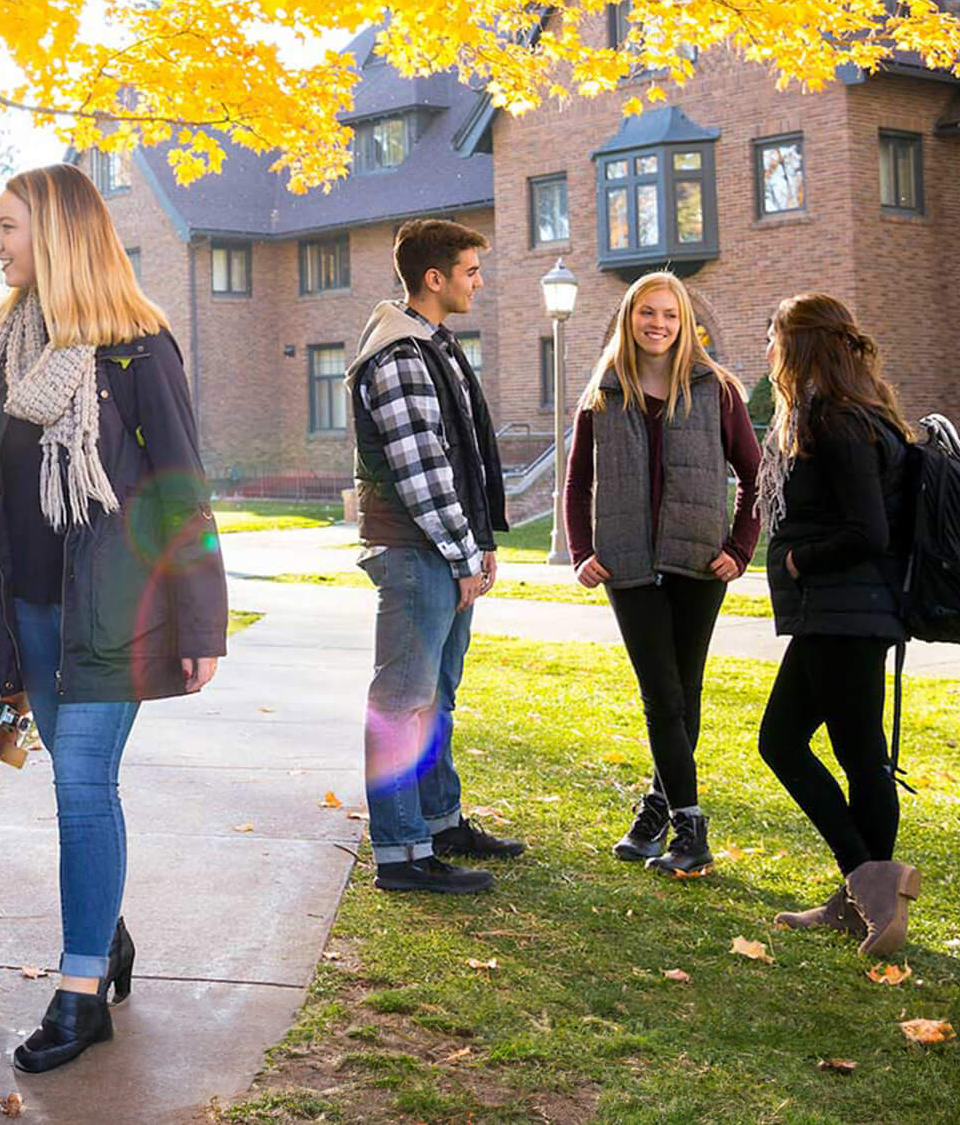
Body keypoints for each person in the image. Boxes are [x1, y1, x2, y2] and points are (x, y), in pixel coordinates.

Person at [0, 162, 227, 1074]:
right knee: (71, 795)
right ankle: (106, 936)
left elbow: (183, 492)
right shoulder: (8, 343)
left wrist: (201, 624)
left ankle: (80, 995)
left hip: (112, 611)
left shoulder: (138, 348)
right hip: (27, 610)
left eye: (7, 227)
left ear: (59, 235)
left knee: (84, 789)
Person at [347, 217, 523, 897]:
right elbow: (422, 475)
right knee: (401, 703)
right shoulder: (399, 357)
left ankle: (440, 823)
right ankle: (401, 853)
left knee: (436, 697)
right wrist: (463, 552)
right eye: (472, 271)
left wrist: (479, 544)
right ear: (434, 278)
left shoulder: (433, 346)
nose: (479, 281)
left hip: (443, 551)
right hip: (416, 551)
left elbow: (459, 460)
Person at [563, 272, 761, 878]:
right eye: (647, 313)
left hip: (699, 563)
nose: (658, 324)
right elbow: (576, 483)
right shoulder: (603, 392)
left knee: (685, 692)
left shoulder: (716, 389)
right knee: (662, 696)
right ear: (630, 318)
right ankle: (689, 827)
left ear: (685, 323)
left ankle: (658, 811)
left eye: (670, 315)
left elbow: (759, 477)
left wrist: (741, 547)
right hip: (626, 565)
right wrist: (581, 550)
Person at [755, 293, 924, 958]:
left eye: (773, 337)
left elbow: (867, 532)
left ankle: (868, 884)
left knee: (787, 742)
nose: (767, 350)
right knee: (858, 756)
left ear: (800, 346)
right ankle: (862, 899)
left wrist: (799, 558)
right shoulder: (861, 413)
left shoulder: (837, 421)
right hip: (849, 614)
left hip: (843, 614)